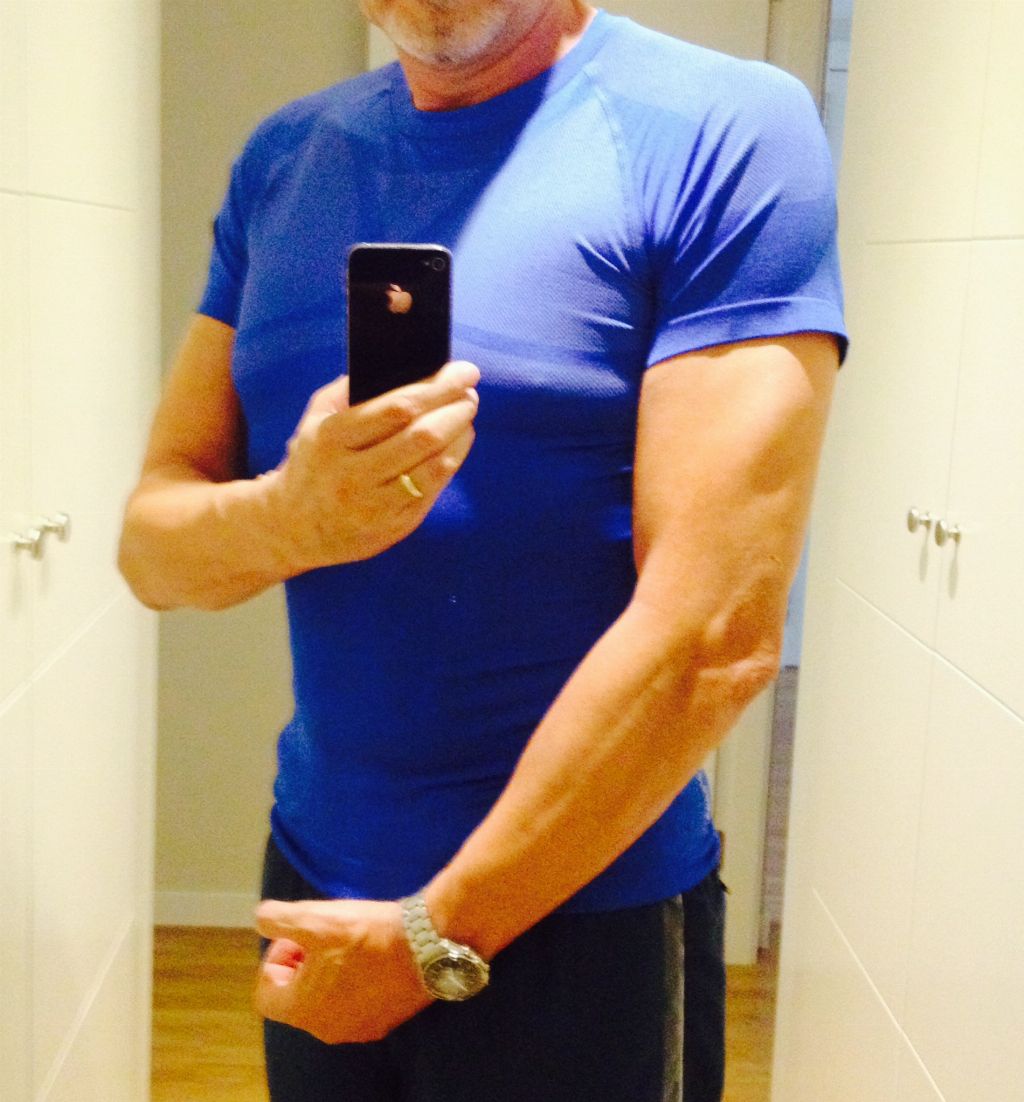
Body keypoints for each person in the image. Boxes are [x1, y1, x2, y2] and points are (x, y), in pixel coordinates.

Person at [119, 1, 847, 1099]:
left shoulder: (724, 126)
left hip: (581, 914)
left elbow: (716, 634)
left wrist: (433, 936)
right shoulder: (286, 155)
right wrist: (291, 518)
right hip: (317, 883)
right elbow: (152, 549)